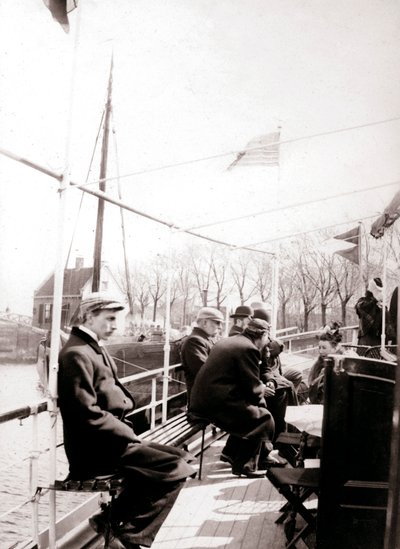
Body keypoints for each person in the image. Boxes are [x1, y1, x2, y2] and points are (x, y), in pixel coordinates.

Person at [58, 293, 195, 549]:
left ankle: (109, 519)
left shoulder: (91, 347)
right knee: (177, 470)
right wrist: (129, 434)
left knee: (184, 457)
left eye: (115, 319)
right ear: (89, 316)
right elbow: (83, 413)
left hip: (110, 441)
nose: (115, 325)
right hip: (94, 450)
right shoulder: (76, 353)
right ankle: (131, 536)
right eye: (109, 319)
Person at [189, 318, 276, 477]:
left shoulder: (230, 341)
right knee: (263, 418)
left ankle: (231, 452)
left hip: (203, 400)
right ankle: (244, 465)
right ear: (262, 335)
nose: (268, 341)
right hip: (214, 405)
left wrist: (258, 397)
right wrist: (262, 399)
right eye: (268, 337)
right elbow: (251, 387)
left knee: (253, 411)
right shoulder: (249, 348)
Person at [180, 307, 224, 406]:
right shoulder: (195, 341)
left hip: (210, 396)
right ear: (204, 322)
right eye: (217, 322)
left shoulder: (205, 339)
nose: (220, 327)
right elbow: (205, 373)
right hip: (203, 402)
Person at [308, 321, 344, 404]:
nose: (320, 351)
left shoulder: (341, 363)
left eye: (324, 348)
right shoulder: (319, 363)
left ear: (335, 348)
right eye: (319, 347)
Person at [355, 277, 395, 347]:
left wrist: (391, 336)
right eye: (377, 291)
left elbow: (388, 324)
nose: (380, 293)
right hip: (366, 339)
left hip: (379, 340)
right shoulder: (364, 301)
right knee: (364, 357)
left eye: (380, 291)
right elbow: (360, 307)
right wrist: (375, 300)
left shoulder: (383, 306)